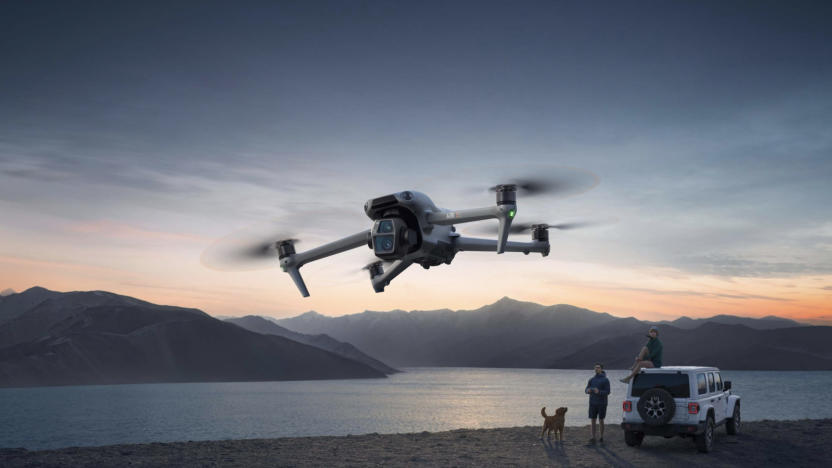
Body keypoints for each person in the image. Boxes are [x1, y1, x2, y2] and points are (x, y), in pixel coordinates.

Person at [585, 362, 610, 444]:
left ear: (601, 369)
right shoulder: (591, 379)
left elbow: (608, 391)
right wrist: (587, 391)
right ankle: (593, 437)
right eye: (595, 367)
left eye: (598, 367)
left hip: (602, 403)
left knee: (601, 420)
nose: (596, 369)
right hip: (592, 403)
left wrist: (599, 392)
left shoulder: (605, 380)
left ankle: (601, 437)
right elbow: (586, 389)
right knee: (592, 420)